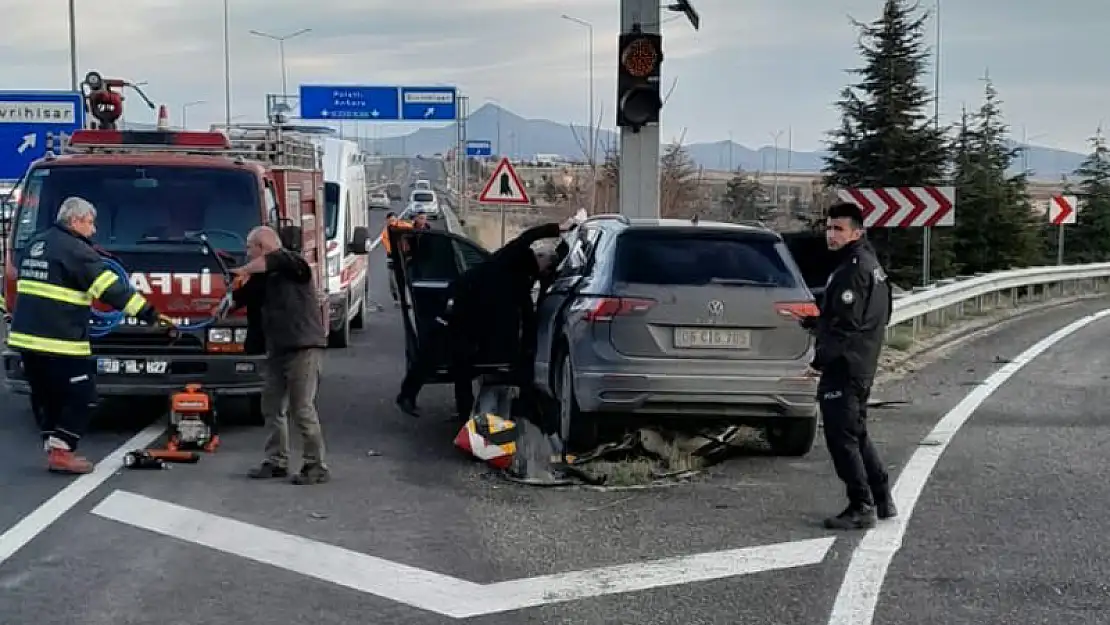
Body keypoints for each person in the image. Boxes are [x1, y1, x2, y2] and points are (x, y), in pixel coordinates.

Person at [8, 196, 165, 474]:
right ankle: (63, 450)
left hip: (25, 339)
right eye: (90, 223)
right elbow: (111, 289)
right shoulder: (77, 251)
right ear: (76, 220)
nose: (93, 231)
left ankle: (55, 449)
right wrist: (151, 315)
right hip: (60, 340)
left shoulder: (35, 243)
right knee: (83, 395)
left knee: (46, 397)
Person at [395, 220, 573, 420]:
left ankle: (464, 412)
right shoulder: (516, 255)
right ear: (541, 258)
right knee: (437, 351)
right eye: (547, 268)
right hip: (461, 304)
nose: (545, 273)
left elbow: (526, 311)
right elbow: (528, 236)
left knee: (463, 364)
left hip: (478, 317)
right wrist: (557, 229)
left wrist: (527, 346)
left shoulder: (526, 277)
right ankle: (407, 395)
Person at [795, 201, 895, 530]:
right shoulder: (869, 263)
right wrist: (813, 323)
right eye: (829, 227)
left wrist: (819, 362)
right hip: (860, 361)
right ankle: (881, 497)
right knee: (856, 432)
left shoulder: (853, 268)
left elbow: (845, 327)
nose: (831, 234)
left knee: (842, 438)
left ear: (857, 232)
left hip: (846, 365)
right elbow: (853, 316)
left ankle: (861, 504)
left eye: (839, 229)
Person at [230, 226, 330, 485]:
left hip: (303, 347)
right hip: (277, 349)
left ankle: (315, 465)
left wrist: (244, 270)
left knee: (302, 408)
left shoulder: (293, 264)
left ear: (261, 247)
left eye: (250, 249)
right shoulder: (265, 278)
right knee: (272, 407)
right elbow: (243, 298)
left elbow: (275, 259)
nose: (247, 254)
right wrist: (227, 301)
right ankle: (276, 461)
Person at [381, 212, 413, 303]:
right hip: (393, 258)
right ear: (387, 221)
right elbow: (388, 247)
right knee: (392, 280)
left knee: (406, 278)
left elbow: (413, 230)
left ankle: (406, 298)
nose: (392, 223)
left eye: (394, 220)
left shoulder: (404, 226)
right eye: (390, 221)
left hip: (404, 257)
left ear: (397, 219)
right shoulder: (385, 233)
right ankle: (396, 297)